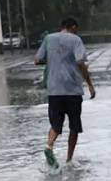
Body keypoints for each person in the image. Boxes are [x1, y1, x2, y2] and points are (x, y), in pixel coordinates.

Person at [35, 17, 96, 168]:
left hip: (54, 90)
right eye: (77, 28)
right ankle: (69, 160)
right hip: (73, 90)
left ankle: (49, 146)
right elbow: (80, 62)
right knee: (74, 126)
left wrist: (54, 59)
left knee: (56, 124)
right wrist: (90, 84)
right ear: (73, 27)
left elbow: (37, 60)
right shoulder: (75, 40)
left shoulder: (49, 39)